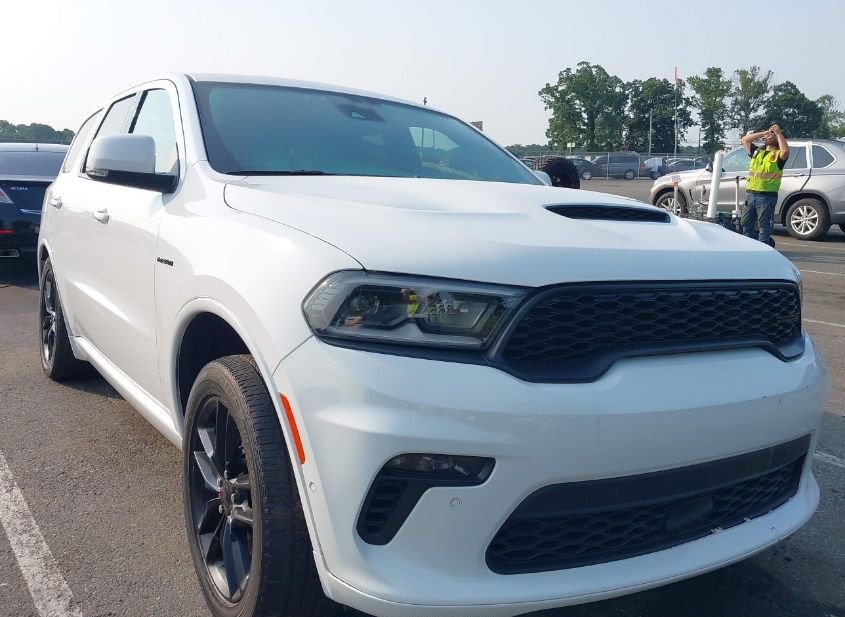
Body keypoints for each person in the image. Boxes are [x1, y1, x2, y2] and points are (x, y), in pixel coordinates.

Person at [740, 124, 789, 244]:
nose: (771, 137)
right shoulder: (757, 152)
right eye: (769, 136)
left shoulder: (778, 155)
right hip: (751, 194)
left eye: (774, 136)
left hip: (766, 197)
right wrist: (763, 133)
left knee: (763, 225)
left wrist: (778, 133)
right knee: (745, 223)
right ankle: (748, 247)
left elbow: (785, 151)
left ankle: (763, 249)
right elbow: (745, 140)